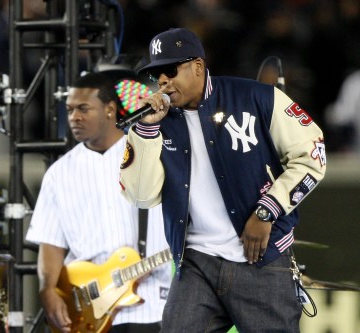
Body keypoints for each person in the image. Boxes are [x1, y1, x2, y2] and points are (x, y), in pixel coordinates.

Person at [118, 28, 327, 333]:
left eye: (170, 70)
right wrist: (146, 131)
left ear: (198, 66)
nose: (162, 81)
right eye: (156, 74)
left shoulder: (256, 97)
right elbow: (141, 196)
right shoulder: (154, 124)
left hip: (262, 259)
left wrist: (267, 211)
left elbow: (313, 155)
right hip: (196, 262)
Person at [26, 72, 172, 333]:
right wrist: (48, 289)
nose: (74, 117)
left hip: (153, 302)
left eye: (84, 109)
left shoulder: (149, 152)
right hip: (88, 310)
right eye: (70, 110)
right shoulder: (58, 173)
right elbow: (50, 243)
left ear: (110, 110)